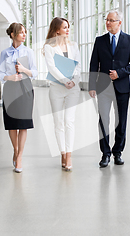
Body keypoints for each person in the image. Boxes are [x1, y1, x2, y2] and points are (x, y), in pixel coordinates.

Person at [89, 10, 130, 168]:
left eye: (111, 20)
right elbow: (93, 64)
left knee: (121, 121)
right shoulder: (100, 41)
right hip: (103, 88)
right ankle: (105, 154)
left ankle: (117, 152)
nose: (108, 23)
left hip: (122, 87)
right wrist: (91, 86)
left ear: (119, 22)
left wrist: (120, 73)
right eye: (107, 20)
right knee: (103, 120)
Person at [0, 22, 38, 173]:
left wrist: (23, 70)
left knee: (23, 124)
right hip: (10, 89)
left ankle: (20, 156)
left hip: (25, 89)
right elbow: (0, 74)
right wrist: (10, 77)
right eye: (21, 32)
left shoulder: (29, 52)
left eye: (25, 32)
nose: (24, 35)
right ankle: (15, 150)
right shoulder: (4, 53)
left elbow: (35, 72)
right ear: (13, 35)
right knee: (12, 124)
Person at [43, 17, 81, 172]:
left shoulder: (74, 46)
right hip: (57, 88)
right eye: (64, 27)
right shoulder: (49, 47)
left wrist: (74, 81)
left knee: (69, 121)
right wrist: (65, 80)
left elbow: (78, 65)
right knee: (58, 122)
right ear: (56, 29)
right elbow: (52, 68)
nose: (67, 30)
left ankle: (70, 154)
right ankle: (63, 153)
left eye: (68, 27)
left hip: (73, 88)